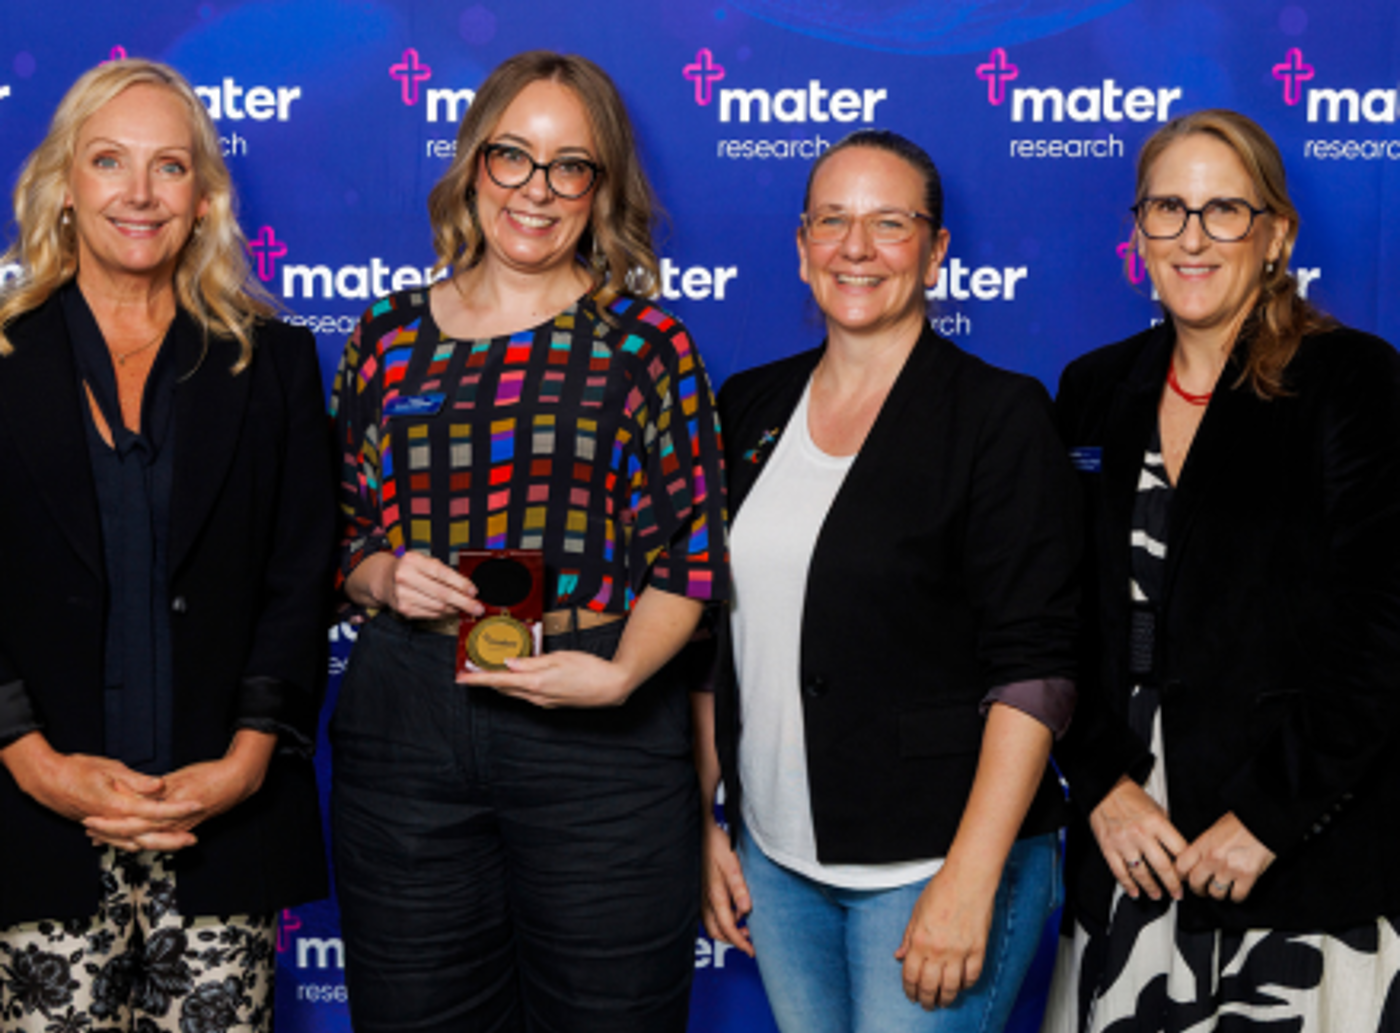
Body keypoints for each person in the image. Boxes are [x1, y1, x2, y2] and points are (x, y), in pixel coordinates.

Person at [328, 50, 728, 1033]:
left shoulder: (644, 344)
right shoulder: (384, 337)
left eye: (568, 166)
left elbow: (689, 551)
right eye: (513, 156)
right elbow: (340, 532)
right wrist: (381, 572)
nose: (535, 190)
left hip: (593, 722)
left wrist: (624, 673)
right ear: (474, 166)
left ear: (601, 189)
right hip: (407, 724)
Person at [697, 128, 1079, 1033]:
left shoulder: (999, 414)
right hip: (778, 861)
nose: (856, 248)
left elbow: (1037, 667)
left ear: (938, 249)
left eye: (890, 222)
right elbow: (713, 635)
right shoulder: (747, 404)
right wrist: (705, 823)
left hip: (933, 865)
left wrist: (970, 876)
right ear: (800, 247)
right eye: (832, 221)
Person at [1044, 109, 1400, 1031]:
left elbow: (1383, 629)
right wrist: (1103, 788)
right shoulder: (1092, 388)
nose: (1193, 236)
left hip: (1294, 862)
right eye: (1169, 207)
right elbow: (1059, 620)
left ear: (1276, 233)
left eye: (1224, 210)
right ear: (1138, 232)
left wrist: (1270, 818)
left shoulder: (1352, 382)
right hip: (1130, 858)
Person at [0, 59, 334, 1032]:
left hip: (220, 824)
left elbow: (297, 579)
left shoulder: (271, 363)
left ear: (203, 198)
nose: (139, 193)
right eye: (109, 162)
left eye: (169, 167)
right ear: (65, 185)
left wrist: (245, 759)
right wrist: (30, 758)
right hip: (33, 822)